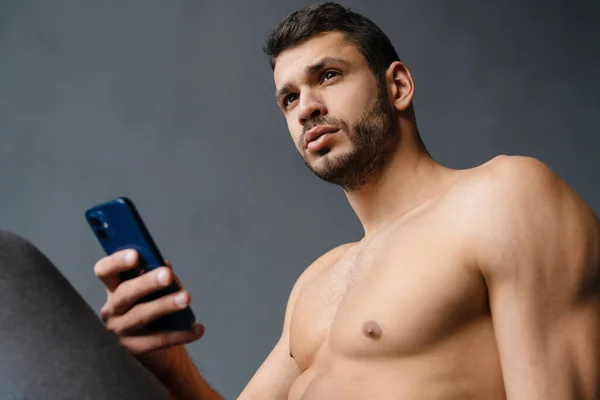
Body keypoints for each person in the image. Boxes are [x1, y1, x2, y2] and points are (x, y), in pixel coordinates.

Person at [0, 2, 597, 399]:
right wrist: (167, 365)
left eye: (328, 76)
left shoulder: (504, 197)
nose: (306, 105)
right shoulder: (319, 282)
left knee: (10, 268)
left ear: (397, 86)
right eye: (288, 98)